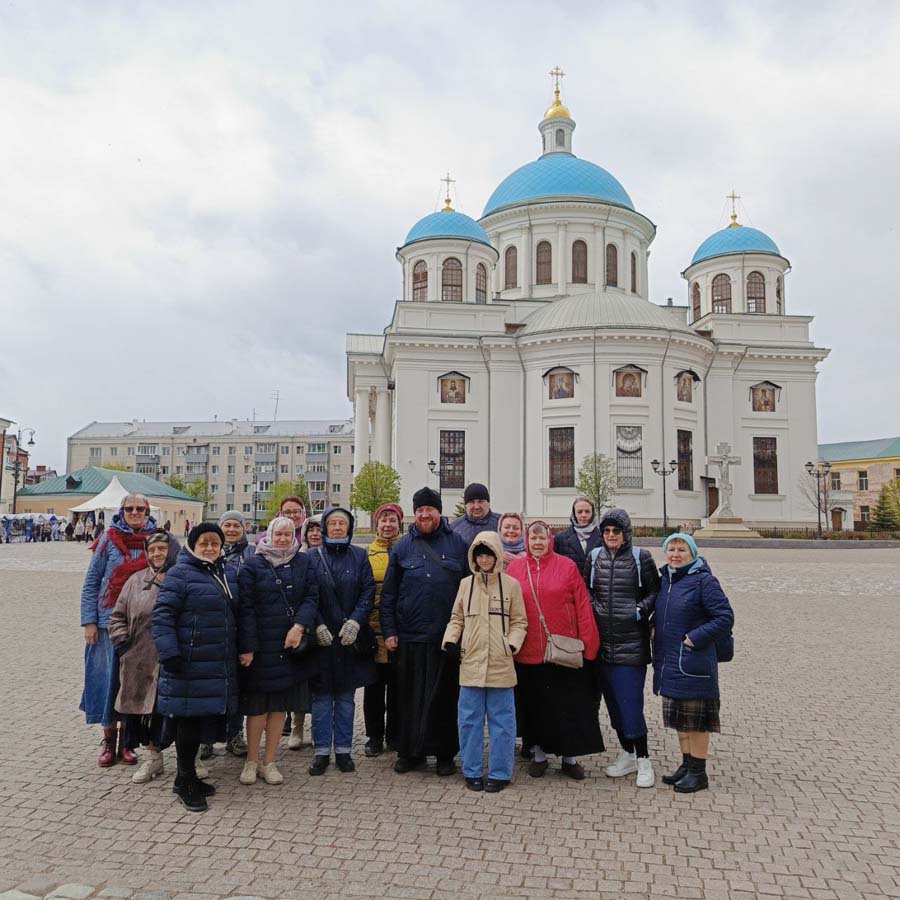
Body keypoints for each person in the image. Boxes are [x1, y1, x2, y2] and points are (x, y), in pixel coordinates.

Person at [380, 487, 468, 775]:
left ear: (438, 511)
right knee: (409, 697)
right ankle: (410, 752)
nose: (425, 514)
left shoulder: (458, 544)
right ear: (414, 513)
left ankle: (444, 754)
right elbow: (389, 593)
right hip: (410, 636)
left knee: (445, 697)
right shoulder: (402, 547)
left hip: (446, 637)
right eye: (420, 510)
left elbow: (469, 592)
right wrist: (390, 630)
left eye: (430, 509)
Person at [153, 523, 239, 813]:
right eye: (204, 542)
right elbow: (163, 614)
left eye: (215, 543)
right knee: (187, 723)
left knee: (199, 721)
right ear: (192, 544)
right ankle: (184, 780)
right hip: (188, 661)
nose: (211, 547)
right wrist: (169, 653)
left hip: (213, 660)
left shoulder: (220, 570)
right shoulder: (181, 572)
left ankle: (186, 777)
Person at [507, 521, 603, 780]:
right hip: (528, 651)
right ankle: (538, 755)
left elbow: (583, 605)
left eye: (543, 538)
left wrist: (589, 644)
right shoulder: (515, 568)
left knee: (567, 706)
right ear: (527, 541)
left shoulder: (567, 566)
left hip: (562, 650)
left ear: (550, 540)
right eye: (533, 538)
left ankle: (569, 758)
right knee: (534, 706)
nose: (538, 543)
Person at [442, 532, 527, 793]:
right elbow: (457, 617)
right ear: (474, 558)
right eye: (480, 554)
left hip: (501, 663)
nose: (484, 558)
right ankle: (472, 770)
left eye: (489, 554)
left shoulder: (511, 585)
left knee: (503, 723)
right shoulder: (466, 584)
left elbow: (519, 621)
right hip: (471, 662)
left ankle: (500, 772)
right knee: (469, 720)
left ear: (497, 555)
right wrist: (450, 640)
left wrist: (510, 644)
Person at [236, 516, 319, 786]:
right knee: (257, 707)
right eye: (278, 534)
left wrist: (299, 626)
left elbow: (311, 596)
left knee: (279, 707)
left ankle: (269, 761)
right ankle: (251, 760)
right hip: (261, 647)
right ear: (268, 535)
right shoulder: (253, 565)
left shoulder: (303, 561)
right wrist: (247, 647)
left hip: (289, 644)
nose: (283, 539)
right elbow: (245, 608)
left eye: (287, 534)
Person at [80, 493, 157, 767]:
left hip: (141, 625)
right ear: (121, 511)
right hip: (105, 622)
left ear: (147, 512)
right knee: (106, 681)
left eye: (140, 508)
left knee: (131, 682)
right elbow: (91, 583)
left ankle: (128, 742)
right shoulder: (107, 540)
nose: (135, 512)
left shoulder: (157, 540)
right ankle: (109, 741)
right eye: (130, 508)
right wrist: (89, 621)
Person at [653, 533, 734, 793]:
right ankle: (687, 765)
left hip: (694, 661)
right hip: (671, 661)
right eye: (671, 549)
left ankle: (699, 772)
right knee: (681, 719)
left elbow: (724, 617)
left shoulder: (703, 581)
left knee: (697, 721)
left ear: (693, 553)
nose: (676, 554)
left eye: (682, 550)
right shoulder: (668, 580)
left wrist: (693, 638)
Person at [585, 509, 660, 788]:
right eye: (607, 531)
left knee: (630, 706)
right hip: (603, 645)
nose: (611, 536)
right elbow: (586, 590)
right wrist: (596, 608)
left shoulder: (641, 558)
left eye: (616, 531)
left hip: (631, 646)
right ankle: (627, 754)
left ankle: (644, 759)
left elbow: (656, 591)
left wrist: (640, 609)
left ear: (625, 533)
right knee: (614, 708)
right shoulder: (595, 558)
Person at [306, 507, 376, 775]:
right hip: (322, 639)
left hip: (350, 638)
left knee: (346, 698)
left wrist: (356, 620)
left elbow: (368, 590)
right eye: (332, 523)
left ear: (349, 528)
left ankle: (344, 751)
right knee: (322, 698)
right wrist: (317, 624)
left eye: (342, 523)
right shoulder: (312, 557)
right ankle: (322, 750)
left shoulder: (359, 555)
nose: (337, 527)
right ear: (324, 528)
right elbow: (307, 593)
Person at [108, 530, 181, 784]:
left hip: (173, 658)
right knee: (145, 711)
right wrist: (122, 641)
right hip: (139, 657)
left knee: (175, 709)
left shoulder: (183, 577)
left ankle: (188, 760)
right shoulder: (136, 580)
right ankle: (153, 758)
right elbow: (117, 615)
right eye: (152, 550)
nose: (158, 554)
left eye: (162, 548)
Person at [208, 509, 255, 759]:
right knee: (211, 685)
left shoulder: (252, 553)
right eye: (227, 525)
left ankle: (235, 735)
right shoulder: (208, 550)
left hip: (240, 628)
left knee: (237, 687)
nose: (232, 530)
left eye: (237, 525)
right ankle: (207, 738)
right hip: (213, 629)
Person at [363, 503, 404, 757]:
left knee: (399, 689)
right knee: (374, 688)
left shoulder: (407, 548)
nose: (388, 525)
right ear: (376, 524)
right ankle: (374, 737)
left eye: (392, 520)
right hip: (374, 630)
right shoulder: (366, 552)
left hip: (400, 630)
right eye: (383, 520)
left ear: (399, 523)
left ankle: (396, 735)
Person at [278, 494, 309, 745]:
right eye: (287, 512)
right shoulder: (270, 539)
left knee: (301, 674)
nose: (292, 516)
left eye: (296, 511)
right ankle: (283, 719)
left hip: (302, 618)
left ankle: (298, 724)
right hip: (277, 619)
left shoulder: (308, 539)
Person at [554, 496, 603, 576]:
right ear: (574, 514)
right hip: (570, 586)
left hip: (594, 587)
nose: (584, 515)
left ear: (593, 513)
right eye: (580, 512)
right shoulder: (561, 538)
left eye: (587, 511)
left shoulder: (602, 537)